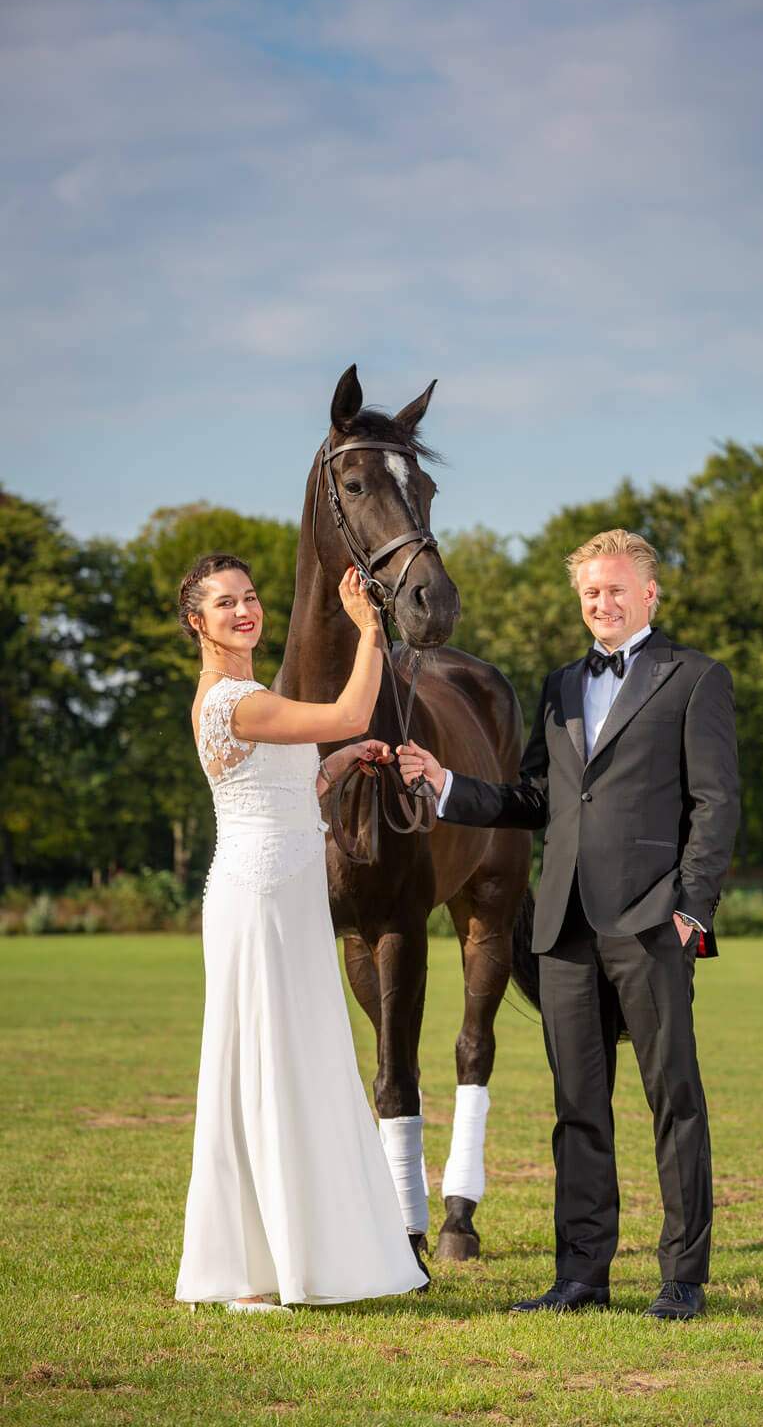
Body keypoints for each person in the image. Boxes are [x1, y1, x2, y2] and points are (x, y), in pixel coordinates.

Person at [398, 529, 739, 1320]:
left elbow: (716, 806)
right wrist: (451, 785)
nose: (602, 603)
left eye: (616, 589)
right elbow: (535, 802)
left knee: (674, 1102)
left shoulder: (695, 679)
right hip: (562, 929)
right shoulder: (557, 687)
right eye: (591, 592)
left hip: (656, 923)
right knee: (577, 1109)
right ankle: (581, 1276)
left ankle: (682, 1278)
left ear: (650, 593)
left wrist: (692, 910)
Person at [174, 552, 427, 1312]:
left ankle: (308, 1251)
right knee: (265, 1065)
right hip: (258, 902)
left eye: (250, 597)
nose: (244, 610)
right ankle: (260, 1265)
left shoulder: (252, 697)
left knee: (299, 1060)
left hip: (288, 899)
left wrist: (337, 765)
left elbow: (285, 785)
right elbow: (349, 711)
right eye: (225, 604)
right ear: (198, 622)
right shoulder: (231, 700)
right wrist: (369, 634)